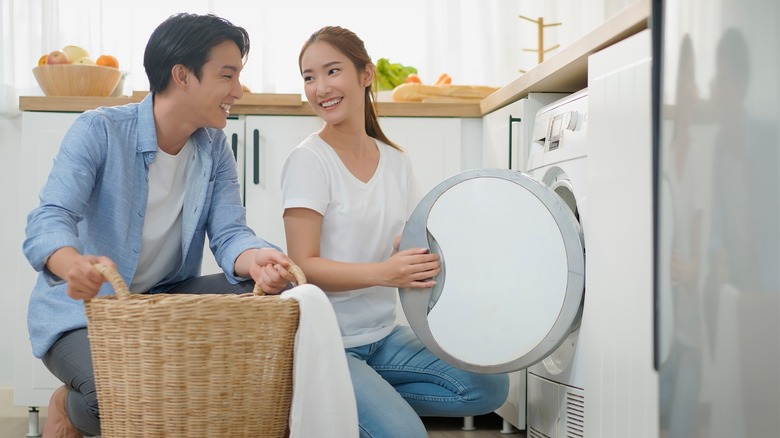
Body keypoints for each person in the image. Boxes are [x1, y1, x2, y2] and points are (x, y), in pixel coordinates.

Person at [23, 13, 297, 438]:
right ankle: (65, 403)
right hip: (86, 313)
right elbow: (49, 218)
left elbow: (229, 234)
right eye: (227, 76)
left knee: (270, 295)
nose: (238, 92)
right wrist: (70, 262)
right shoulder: (100, 131)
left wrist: (255, 259)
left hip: (161, 304)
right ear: (182, 75)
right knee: (115, 403)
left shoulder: (214, 147)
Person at [281, 25, 509, 438]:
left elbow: (417, 237)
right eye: (309, 77)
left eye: (332, 71)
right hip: (328, 343)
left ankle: (361, 403)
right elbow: (302, 267)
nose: (320, 88)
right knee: (406, 435)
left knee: (489, 387)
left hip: (383, 337)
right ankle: (346, 402)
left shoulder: (395, 161)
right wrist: (384, 272)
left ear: (364, 74)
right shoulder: (309, 161)